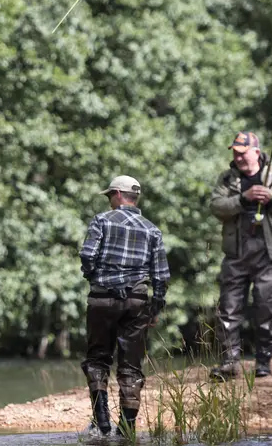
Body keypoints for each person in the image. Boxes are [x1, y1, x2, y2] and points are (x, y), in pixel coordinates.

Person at [78, 175, 170, 438]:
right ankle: (127, 428)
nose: (109, 201)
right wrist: (156, 307)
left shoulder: (102, 221)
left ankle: (102, 421)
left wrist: (94, 277)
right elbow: (161, 275)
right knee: (131, 366)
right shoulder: (152, 229)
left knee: (97, 359)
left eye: (109, 196)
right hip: (136, 302)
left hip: (102, 299)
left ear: (118, 194)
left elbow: (87, 255)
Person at [209, 131, 272, 381]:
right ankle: (229, 364)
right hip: (236, 253)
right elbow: (216, 206)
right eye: (235, 153)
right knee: (228, 309)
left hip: (268, 254)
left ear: (256, 153)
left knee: (267, 310)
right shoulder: (227, 179)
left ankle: (263, 365)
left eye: (242, 153)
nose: (237, 157)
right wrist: (242, 199)